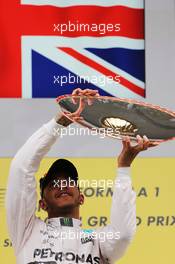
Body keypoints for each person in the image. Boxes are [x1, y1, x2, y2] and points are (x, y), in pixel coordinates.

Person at [6, 88, 158, 264]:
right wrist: (60, 121)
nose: (62, 186)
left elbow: (123, 235)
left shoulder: (98, 241)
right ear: (42, 204)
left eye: (68, 182)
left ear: (81, 198)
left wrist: (124, 168)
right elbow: (21, 168)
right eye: (54, 184)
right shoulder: (27, 232)